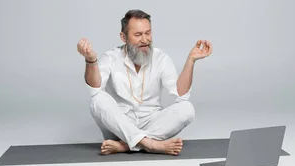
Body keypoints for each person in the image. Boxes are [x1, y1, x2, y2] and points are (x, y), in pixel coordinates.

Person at [76, 9, 212, 156]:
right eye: (138, 35)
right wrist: (90, 60)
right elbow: (94, 88)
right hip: (119, 126)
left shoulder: (161, 58)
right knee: (97, 99)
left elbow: (181, 95)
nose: (145, 40)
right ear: (123, 37)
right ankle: (150, 144)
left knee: (187, 108)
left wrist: (190, 60)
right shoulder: (111, 57)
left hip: (151, 122)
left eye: (148, 33)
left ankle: (127, 146)